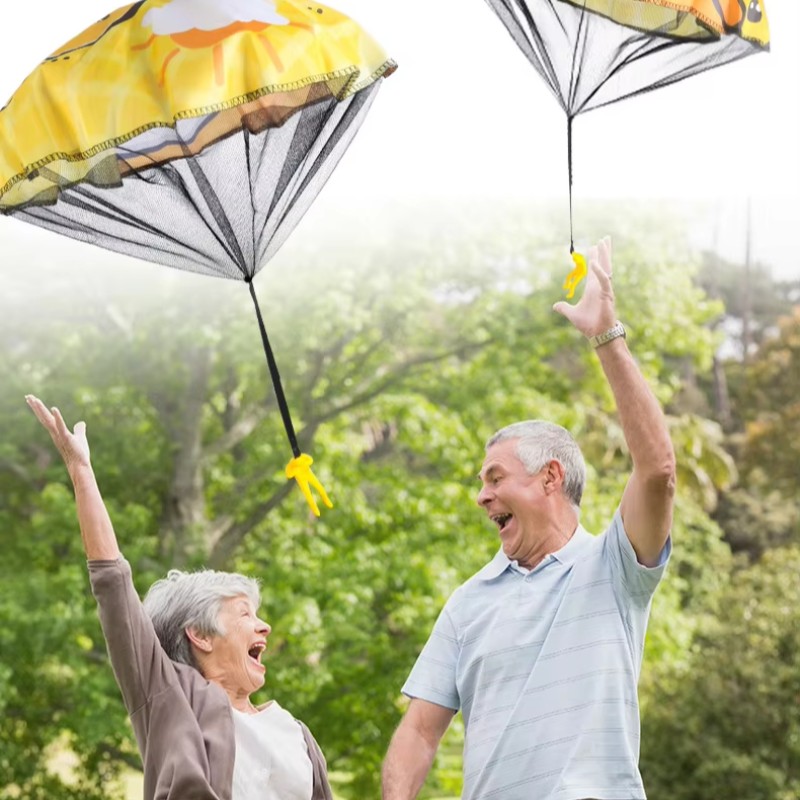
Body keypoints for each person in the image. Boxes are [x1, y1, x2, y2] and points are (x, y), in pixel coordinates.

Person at [381, 237, 675, 800]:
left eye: (495, 478)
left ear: (550, 479)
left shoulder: (614, 567)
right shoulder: (469, 601)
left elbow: (658, 470)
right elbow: (419, 732)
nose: (481, 497)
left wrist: (605, 337)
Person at [25, 394, 333, 800]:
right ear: (200, 635)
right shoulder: (171, 697)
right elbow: (114, 587)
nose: (264, 625)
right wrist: (81, 470)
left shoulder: (294, 731)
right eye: (244, 614)